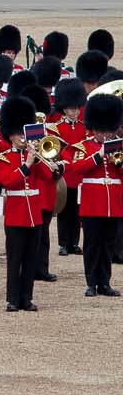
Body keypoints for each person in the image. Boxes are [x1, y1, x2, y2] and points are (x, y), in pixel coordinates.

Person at [0, 95, 54, 312]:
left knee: (30, 259)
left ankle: (26, 298)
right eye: (18, 134)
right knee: (15, 258)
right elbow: (8, 181)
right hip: (16, 213)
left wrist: (39, 158)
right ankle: (12, 298)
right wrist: (27, 164)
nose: (22, 137)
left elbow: (49, 176)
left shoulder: (34, 155)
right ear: (10, 135)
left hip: (34, 213)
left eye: (23, 133)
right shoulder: (2, 158)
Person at [63, 89, 123, 297]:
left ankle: (104, 282)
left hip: (113, 202)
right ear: (94, 127)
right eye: (102, 130)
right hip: (93, 202)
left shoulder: (119, 147)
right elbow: (75, 168)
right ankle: (91, 282)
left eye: (108, 130)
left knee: (108, 245)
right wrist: (98, 155)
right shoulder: (84, 146)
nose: (105, 134)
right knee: (91, 244)